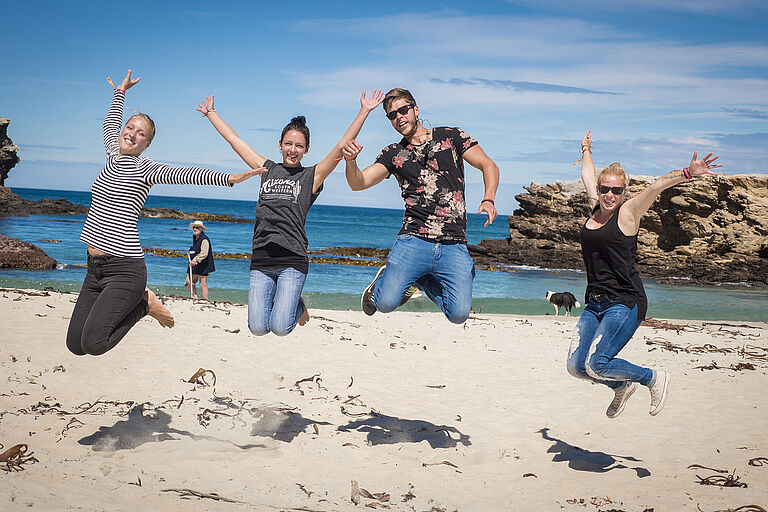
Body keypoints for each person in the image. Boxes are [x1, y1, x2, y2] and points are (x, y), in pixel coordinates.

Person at [65, 70, 262, 357]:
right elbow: (109, 124)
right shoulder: (111, 154)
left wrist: (230, 178)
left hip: (125, 269)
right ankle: (141, 304)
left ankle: (145, 304)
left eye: (140, 133)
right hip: (94, 269)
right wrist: (120, 92)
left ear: (147, 143)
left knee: (94, 344)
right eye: (129, 127)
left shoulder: (147, 168)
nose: (131, 134)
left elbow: (188, 174)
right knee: (75, 345)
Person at [196, 89, 384, 336]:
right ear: (280, 145)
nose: (292, 149)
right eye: (288, 144)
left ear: (306, 149)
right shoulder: (266, 169)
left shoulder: (311, 177)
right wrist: (212, 114)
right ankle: (293, 301)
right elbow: (235, 140)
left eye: (299, 146)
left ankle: (296, 303)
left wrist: (364, 111)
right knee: (257, 328)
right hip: (261, 258)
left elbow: (340, 147)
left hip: (292, 260)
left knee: (281, 328)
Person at [567, 130, 721, 418]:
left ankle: (652, 378)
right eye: (605, 189)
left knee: (597, 364)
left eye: (616, 190)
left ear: (624, 192)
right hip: (595, 303)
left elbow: (656, 187)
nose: (609, 195)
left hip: (625, 302)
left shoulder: (627, 213)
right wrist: (585, 151)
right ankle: (622, 384)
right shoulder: (595, 207)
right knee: (576, 367)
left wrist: (688, 172)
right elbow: (587, 176)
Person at [341, 88, 499, 324]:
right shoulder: (394, 154)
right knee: (384, 304)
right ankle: (384, 282)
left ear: (416, 109)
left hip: (453, 243)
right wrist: (350, 161)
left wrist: (488, 198)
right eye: (392, 115)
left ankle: (421, 279)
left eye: (403, 110)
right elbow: (358, 183)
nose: (399, 117)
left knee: (458, 314)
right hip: (414, 240)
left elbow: (489, 165)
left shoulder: (451, 136)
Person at [185, 220, 214, 300]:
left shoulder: (204, 239)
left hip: (203, 264)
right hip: (196, 265)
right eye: (194, 227)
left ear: (201, 229)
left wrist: (195, 260)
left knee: (202, 283)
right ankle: (195, 297)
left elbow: (204, 253)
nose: (195, 229)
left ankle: (205, 300)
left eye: (197, 228)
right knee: (189, 280)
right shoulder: (196, 238)